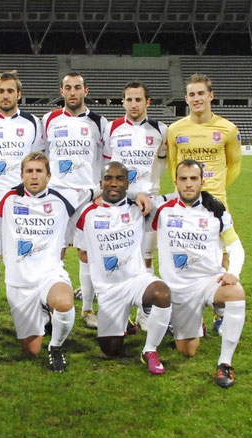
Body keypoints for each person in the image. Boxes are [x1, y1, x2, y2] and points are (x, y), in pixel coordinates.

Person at [152, 159, 246, 388]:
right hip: (179, 289)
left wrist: (233, 272)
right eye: (183, 179)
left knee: (235, 293)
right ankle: (195, 324)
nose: (188, 184)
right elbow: (135, 202)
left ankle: (225, 364)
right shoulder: (162, 210)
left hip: (208, 281)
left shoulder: (215, 210)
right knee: (187, 351)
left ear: (202, 182)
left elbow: (235, 247)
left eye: (194, 179)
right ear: (175, 183)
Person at [0, 152, 90, 372]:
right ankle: (44, 314)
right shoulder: (7, 199)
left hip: (50, 274)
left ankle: (56, 347)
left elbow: (96, 189)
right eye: (29, 171)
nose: (34, 176)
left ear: (49, 176)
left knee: (65, 303)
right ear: (21, 175)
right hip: (19, 281)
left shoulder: (62, 199)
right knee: (30, 350)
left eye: (39, 171)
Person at [75, 162, 172, 374]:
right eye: (108, 178)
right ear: (100, 183)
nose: (114, 183)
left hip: (136, 280)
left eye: (120, 179)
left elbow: (172, 200)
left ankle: (149, 350)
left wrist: (209, 200)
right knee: (111, 350)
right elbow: (82, 252)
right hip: (109, 291)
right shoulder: (87, 214)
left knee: (162, 293)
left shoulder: (139, 208)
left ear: (127, 184)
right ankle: (123, 321)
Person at [0, 70, 45, 326]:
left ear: (19, 95)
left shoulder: (33, 123)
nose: (5, 95)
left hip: (22, 201)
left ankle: (29, 311)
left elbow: (36, 162)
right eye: (1, 91)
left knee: (27, 257)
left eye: (10, 91)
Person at [42, 71, 108, 330]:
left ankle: (88, 310)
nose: (72, 92)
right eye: (68, 87)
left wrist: (100, 190)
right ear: (62, 91)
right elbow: (42, 155)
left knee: (86, 252)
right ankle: (48, 306)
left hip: (87, 195)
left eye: (77, 87)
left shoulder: (98, 122)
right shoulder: (49, 119)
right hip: (56, 195)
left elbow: (106, 157)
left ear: (85, 91)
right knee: (54, 252)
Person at [103, 80, 168, 330]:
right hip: (120, 203)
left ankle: (144, 313)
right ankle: (121, 313)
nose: (133, 104)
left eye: (138, 99)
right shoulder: (112, 128)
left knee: (146, 259)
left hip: (148, 204)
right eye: (129, 99)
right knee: (120, 258)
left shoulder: (160, 130)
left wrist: (152, 188)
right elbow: (107, 164)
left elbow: (161, 162)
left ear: (147, 102)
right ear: (123, 102)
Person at [167, 73, 241, 209]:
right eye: (192, 95)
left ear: (211, 96)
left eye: (201, 93)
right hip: (183, 202)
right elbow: (172, 164)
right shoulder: (174, 130)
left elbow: (235, 165)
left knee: (229, 232)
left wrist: (217, 188)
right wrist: (184, 187)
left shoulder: (229, 129)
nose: (196, 99)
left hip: (215, 202)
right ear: (186, 99)